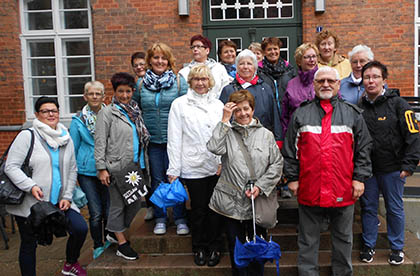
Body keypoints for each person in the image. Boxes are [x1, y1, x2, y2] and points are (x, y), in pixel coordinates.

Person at [281, 66, 372, 276]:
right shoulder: (301, 113)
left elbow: (364, 149)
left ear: (338, 84)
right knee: (307, 239)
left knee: (343, 238)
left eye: (331, 81)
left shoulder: (352, 114)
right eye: (321, 81)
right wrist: (292, 178)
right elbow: (289, 150)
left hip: (343, 186)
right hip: (309, 186)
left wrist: (359, 178)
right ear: (313, 85)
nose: (325, 85)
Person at [5, 96, 88, 276]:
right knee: (29, 243)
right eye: (45, 111)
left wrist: (67, 196)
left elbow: (73, 169)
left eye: (54, 111)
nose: (51, 114)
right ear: (37, 114)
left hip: (59, 201)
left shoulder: (65, 138)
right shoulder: (27, 136)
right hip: (32, 203)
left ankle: (70, 263)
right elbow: (11, 166)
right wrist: (30, 186)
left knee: (80, 228)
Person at [207, 90, 283, 276]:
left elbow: (277, 163)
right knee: (237, 248)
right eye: (238, 110)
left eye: (246, 109)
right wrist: (224, 120)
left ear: (253, 109)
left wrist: (261, 186)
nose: (242, 113)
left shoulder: (266, 135)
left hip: (258, 201)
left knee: (258, 248)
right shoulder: (227, 132)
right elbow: (214, 147)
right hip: (231, 202)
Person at [358, 61, 420, 265]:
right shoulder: (358, 108)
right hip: (368, 171)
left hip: (394, 170)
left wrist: (409, 166)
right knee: (368, 208)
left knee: (394, 209)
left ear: (384, 80)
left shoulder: (400, 105)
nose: (371, 80)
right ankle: (368, 245)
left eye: (375, 76)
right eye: (367, 77)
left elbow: (414, 135)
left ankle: (397, 248)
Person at [167, 64, 224, 267]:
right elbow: (174, 138)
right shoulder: (179, 104)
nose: (201, 83)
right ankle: (199, 247)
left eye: (204, 79)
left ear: (210, 82)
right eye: (197, 79)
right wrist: (174, 169)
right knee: (198, 209)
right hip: (192, 165)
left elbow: (223, 135)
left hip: (215, 166)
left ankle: (216, 246)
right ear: (190, 82)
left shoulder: (218, 105)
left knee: (215, 209)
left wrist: (221, 162)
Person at [95, 72, 150, 260]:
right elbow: (100, 142)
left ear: (133, 91)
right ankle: (121, 243)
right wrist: (101, 168)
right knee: (118, 205)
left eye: (128, 91)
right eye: (121, 91)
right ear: (114, 91)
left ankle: (113, 230)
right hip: (117, 167)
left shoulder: (135, 110)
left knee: (135, 203)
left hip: (135, 166)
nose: (125, 95)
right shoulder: (107, 112)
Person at [140, 42, 189, 236]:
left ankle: (180, 218)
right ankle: (160, 217)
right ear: (149, 61)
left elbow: (187, 108)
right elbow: (136, 110)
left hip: (175, 141)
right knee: (157, 180)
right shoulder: (141, 83)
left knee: (175, 179)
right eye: (155, 58)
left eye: (163, 58)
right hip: (152, 142)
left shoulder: (178, 82)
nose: (159, 61)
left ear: (169, 61)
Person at [69, 81, 109, 260]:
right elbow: (73, 150)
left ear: (103, 96)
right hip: (87, 172)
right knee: (96, 212)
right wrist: (73, 174)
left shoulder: (111, 115)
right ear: (85, 96)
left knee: (109, 210)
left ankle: (109, 239)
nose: (94, 97)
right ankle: (97, 245)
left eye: (98, 94)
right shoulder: (78, 121)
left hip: (108, 170)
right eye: (91, 94)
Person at [220, 49, 282, 146]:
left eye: (249, 63)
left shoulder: (265, 88)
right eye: (241, 64)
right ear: (236, 67)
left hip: (262, 141)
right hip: (236, 142)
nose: (245, 67)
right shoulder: (228, 90)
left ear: (255, 67)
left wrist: (278, 139)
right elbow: (223, 118)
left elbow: (274, 115)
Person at [130, 51, 154, 221]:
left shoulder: (156, 81)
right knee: (146, 172)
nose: (139, 67)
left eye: (141, 64)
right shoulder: (136, 85)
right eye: (136, 65)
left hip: (158, 132)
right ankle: (151, 206)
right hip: (142, 134)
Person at [281, 43, 319, 137]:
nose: (311, 60)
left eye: (314, 56)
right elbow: (285, 115)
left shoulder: (325, 79)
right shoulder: (291, 84)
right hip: (298, 134)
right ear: (299, 61)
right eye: (307, 57)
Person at [179, 34, 232, 98]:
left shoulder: (219, 68)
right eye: (193, 47)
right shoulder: (184, 72)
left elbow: (225, 89)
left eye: (198, 46)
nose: (195, 49)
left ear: (207, 50)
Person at [258, 37, 295, 112]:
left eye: (275, 49)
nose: (273, 52)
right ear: (264, 52)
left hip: (286, 113)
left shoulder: (289, 69)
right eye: (269, 49)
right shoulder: (258, 71)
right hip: (267, 113)